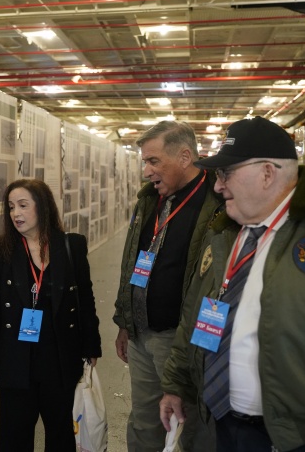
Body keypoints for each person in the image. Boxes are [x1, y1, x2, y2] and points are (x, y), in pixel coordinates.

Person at [160, 116, 305, 451]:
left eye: (226, 173)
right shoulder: (224, 231)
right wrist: (177, 383)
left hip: (304, 437)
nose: (217, 186)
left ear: (267, 173)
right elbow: (197, 313)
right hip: (225, 422)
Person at [113, 121, 222, 451]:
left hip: (182, 338)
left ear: (185, 157)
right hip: (141, 334)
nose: (147, 171)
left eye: (154, 161)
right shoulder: (150, 200)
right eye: (145, 162)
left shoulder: (217, 203)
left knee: (191, 426)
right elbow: (133, 260)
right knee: (144, 422)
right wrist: (125, 320)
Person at [0, 179, 102, 451]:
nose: (16, 213)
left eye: (23, 205)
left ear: (42, 207)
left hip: (58, 357)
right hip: (16, 357)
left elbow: (85, 299)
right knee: (15, 436)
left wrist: (91, 346)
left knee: (61, 434)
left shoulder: (71, 247)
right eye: (11, 207)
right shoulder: (3, 250)